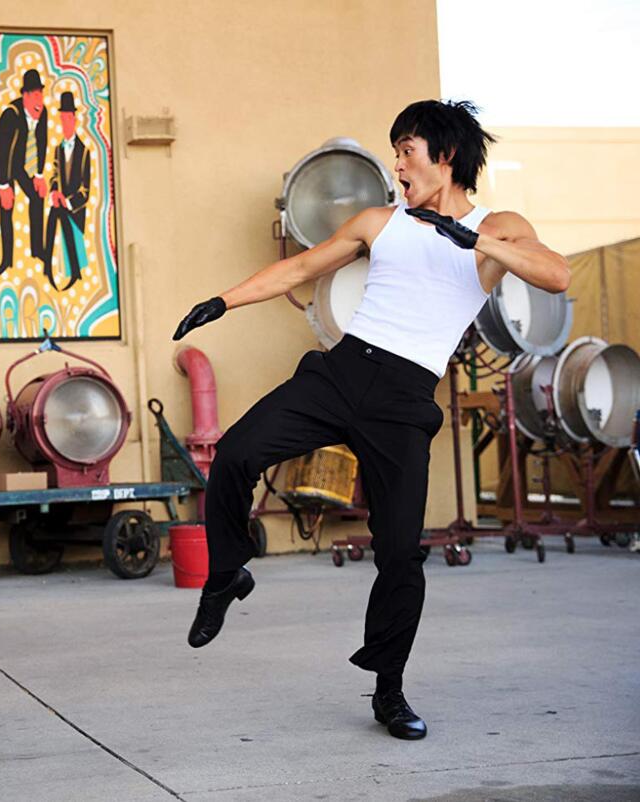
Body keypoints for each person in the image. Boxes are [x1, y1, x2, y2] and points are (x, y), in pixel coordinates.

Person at [173, 100, 570, 740]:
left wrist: (478, 242)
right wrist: (222, 301)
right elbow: (301, 266)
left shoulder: (497, 226)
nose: (396, 163)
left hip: (406, 399)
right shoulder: (381, 221)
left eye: (405, 149)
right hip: (343, 372)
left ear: (444, 156)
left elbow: (557, 273)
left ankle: (389, 691)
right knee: (239, 452)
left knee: (399, 556)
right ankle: (226, 573)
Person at [0, 68, 48, 277]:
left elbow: (42, 142)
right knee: (7, 206)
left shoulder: (43, 112)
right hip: (0, 162)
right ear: (26, 96)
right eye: (36, 95)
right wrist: (3, 186)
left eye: (41, 93)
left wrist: (39, 174)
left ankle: (38, 250)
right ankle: (7, 260)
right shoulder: (10, 115)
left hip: (22, 161)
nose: (40, 100)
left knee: (37, 196)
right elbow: (0, 151)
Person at [42, 91, 92, 292]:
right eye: (62, 119)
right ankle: (47, 268)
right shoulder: (58, 149)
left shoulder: (84, 151)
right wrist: (54, 192)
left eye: (67, 118)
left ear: (74, 118)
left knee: (68, 227)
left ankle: (75, 273)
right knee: (52, 219)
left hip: (75, 209)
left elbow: (85, 189)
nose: (65, 123)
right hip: (60, 204)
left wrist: (69, 201)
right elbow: (54, 174)